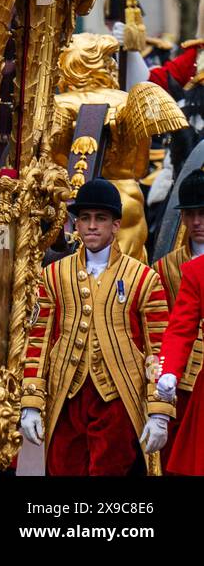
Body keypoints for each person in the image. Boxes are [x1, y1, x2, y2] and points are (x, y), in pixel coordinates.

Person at [20, 178, 174, 475]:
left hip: (118, 399)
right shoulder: (53, 275)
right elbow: (38, 342)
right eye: (85, 219)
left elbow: (158, 349)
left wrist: (158, 410)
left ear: (116, 225)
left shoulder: (143, 278)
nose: (91, 226)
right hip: (66, 396)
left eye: (100, 219)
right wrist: (31, 401)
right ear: (75, 224)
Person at [151, 169, 204, 463]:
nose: (197, 222)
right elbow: (175, 329)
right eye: (191, 214)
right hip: (184, 383)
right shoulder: (170, 268)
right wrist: (166, 372)